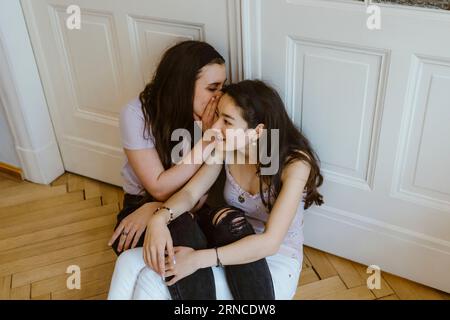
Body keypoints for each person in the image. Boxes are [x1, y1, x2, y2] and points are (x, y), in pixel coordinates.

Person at [108, 80, 324, 300]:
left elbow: (270, 241)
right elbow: (190, 193)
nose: (215, 127)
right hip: (227, 244)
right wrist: (159, 218)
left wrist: (197, 259)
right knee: (127, 262)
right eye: (218, 115)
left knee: (152, 281)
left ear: (258, 131)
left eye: (227, 121)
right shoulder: (226, 149)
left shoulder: (295, 165)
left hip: (271, 264)